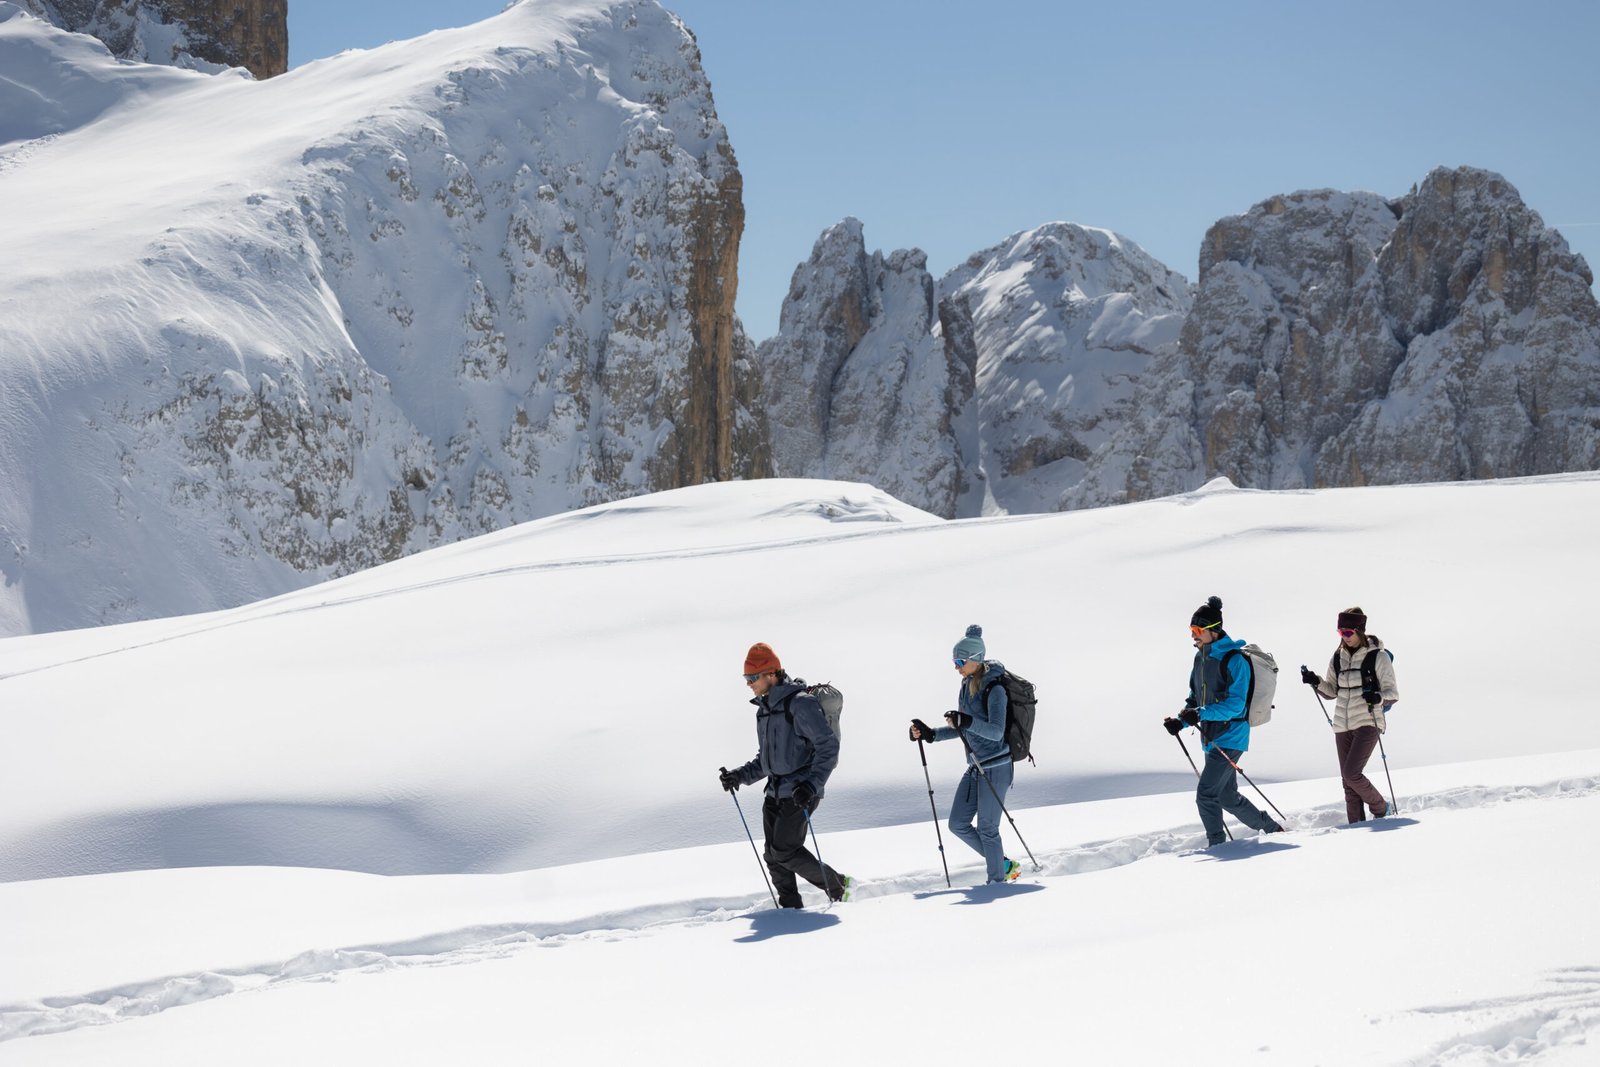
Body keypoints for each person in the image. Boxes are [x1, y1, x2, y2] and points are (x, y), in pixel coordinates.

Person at [719, 642, 850, 907]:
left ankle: (838, 887)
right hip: (774, 791)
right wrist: (739, 776)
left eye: (752, 677)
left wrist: (811, 785)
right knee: (772, 854)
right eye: (746, 678)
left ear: (771, 673)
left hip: (801, 791)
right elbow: (767, 760)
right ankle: (790, 909)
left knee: (784, 850)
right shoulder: (764, 710)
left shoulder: (800, 704)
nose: (749, 684)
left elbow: (828, 747)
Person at [1163, 597, 1285, 846]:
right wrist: (1180, 722)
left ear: (1214, 630)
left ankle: (1217, 845)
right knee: (1226, 796)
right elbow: (1195, 700)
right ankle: (1272, 828)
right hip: (1211, 737)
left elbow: (1236, 705)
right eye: (1191, 629)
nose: (1193, 635)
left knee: (1206, 795)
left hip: (1232, 735)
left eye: (1197, 630)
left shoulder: (1235, 660)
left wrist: (1200, 714)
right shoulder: (1200, 658)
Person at [909, 624, 1022, 884]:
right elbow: (964, 728)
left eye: (960, 662)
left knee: (988, 829)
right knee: (957, 824)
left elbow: (995, 732)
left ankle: (997, 884)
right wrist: (931, 734)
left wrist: (966, 721)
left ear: (976, 659)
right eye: (955, 662)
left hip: (996, 766)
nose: (956, 667)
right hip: (976, 766)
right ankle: (1003, 864)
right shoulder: (967, 685)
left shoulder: (995, 690)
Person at [1299, 606, 1399, 822]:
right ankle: (1356, 827)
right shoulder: (1338, 657)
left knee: (1351, 773)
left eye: (1347, 632)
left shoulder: (1378, 657)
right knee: (1348, 782)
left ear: (1359, 631)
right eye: (1340, 632)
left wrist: (1377, 697)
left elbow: (1392, 693)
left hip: (1368, 720)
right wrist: (1315, 681)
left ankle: (1381, 808)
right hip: (1342, 724)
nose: (1344, 637)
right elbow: (1331, 691)